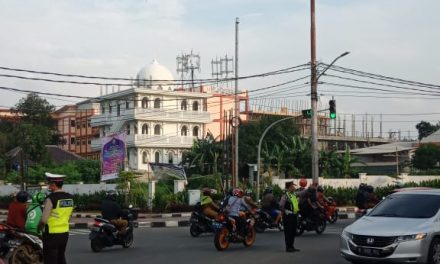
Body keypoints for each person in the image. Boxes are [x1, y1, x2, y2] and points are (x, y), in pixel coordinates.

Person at [39, 173, 74, 264]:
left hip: (51, 234)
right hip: (64, 233)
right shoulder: (70, 198)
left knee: (50, 259)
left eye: (49, 183)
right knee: (61, 257)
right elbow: (69, 216)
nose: (49, 186)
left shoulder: (50, 199)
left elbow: (43, 220)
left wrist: (39, 228)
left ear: (53, 185)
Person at [279, 181, 300, 253]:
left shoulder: (293, 194)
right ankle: (288, 247)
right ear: (289, 187)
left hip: (294, 215)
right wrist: (285, 211)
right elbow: (281, 205)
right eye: (293, 186)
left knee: (293, 231)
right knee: (288, 232)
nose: (294, 187)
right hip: (288, 216)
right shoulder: (285, 195)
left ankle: (292, 246)